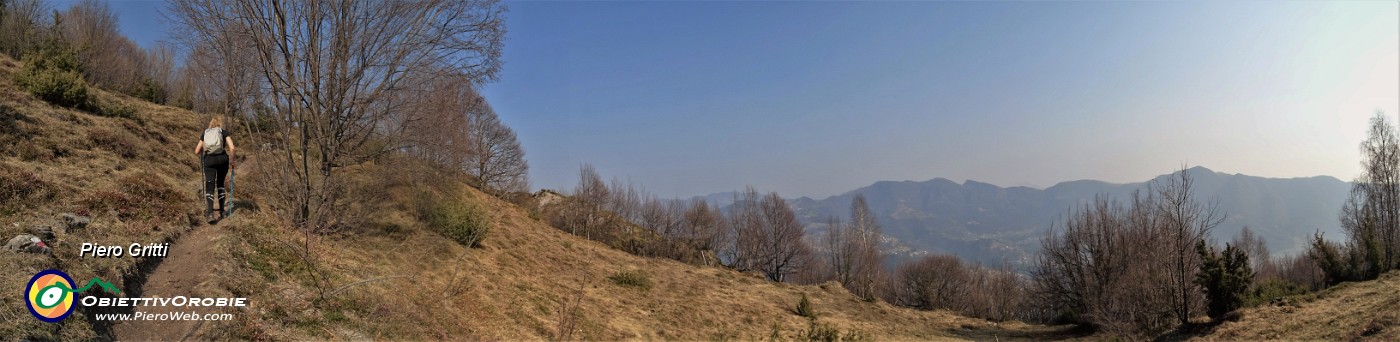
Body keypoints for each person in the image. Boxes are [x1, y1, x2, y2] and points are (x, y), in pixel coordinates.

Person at [193, 116, 235, 223]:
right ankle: (222, 211)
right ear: (220, 124)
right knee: (220, 184)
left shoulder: (205, 133)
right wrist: (232, 161)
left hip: (209, 161)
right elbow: (232, 148)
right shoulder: (223, 132)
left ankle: (210, 214)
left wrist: (205, 149)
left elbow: (197, 151)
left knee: (210, 185)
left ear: (211, 124)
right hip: (222, 160)